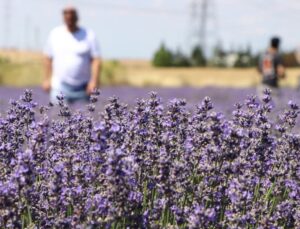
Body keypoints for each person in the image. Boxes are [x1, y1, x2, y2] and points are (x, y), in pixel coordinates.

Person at [43, 6, 101, 103]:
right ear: (63, 17)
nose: (69, 17)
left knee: (84, 116)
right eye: (66, 14)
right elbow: (47, 58)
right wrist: (46, 79)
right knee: (56, 116)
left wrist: (94, 81)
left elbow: (96, 59)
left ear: (77, 17)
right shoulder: (55, 34)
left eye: (72, 14)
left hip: (83, 87)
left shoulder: (89, 34)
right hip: (59, 86)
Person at [257, 37, 285, 103]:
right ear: (278, 44)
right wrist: (283, 75)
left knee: (263, 110)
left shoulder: (263, 55)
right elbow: (281, 72)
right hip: (273, 86)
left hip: (263, 85)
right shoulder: (277, 55)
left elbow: (259, 70)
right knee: (275, 110)